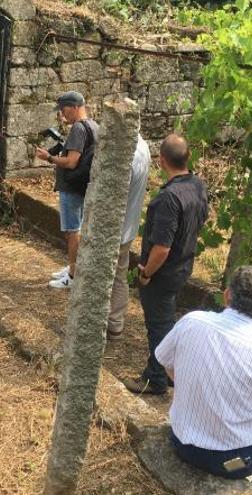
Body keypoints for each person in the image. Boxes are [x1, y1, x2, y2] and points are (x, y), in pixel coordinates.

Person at [155, 266, 252, 495]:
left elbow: (165, 360)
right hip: (231, 461)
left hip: (181, 443)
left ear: (227, 295)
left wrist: (193, 385)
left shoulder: (191, 322)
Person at [124, 134, 208, 395]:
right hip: (183, 265)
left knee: (159, 326)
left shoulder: (168, 199)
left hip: (163, 272)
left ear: (161, 161)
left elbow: (162, 247)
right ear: (188, 158)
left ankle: (156, 378)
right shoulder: (197, 185)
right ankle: (172, 370)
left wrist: (147, 272)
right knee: (168, 322)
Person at [34, 91, 99, 289]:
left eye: (64, 109)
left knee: (73, 231)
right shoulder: (94, 125)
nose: (62, 114)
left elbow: (71, 162)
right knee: (76, 228)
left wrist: (49, 157)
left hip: (72, 186)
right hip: (82, 185)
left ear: (74, 107)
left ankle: (72, 275)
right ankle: (74, 267)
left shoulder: (79, 128)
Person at [106, 129, 151, 340]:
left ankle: (110, 322)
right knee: (119, 275)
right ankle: (115, 323)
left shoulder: (125, 158)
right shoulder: (143, 148)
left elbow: (112, 197)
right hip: (128, 226)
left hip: (114, 230)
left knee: (110, 277)